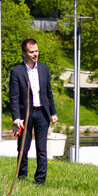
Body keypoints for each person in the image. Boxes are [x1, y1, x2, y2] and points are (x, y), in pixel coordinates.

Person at [9, 38, 58, 186]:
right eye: (32, 52)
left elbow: (49, 93)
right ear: (24, 53)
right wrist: (16, 117)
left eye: (36, 51)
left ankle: (40, 180)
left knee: (42, 149)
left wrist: (53, 113)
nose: (35, 54)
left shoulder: (44, 69)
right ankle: (22, 175)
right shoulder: (17, 72)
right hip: (25, 115)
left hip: (42, 113)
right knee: (23, 147)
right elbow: (14, 97)